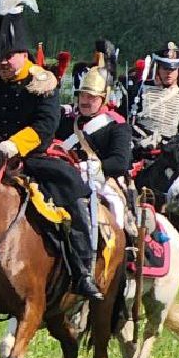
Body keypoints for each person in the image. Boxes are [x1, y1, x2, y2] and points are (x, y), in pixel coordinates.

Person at [0, 0, 104, 301]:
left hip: (32, 158)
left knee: (73, 193)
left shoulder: (43, 83)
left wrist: (14, 146)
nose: (2, 62)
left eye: (9, 55)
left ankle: (82, 269)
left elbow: (44, 128)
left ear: (23, 53)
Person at [55, 66, 134, 257]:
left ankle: (121, 251)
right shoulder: (66, 120)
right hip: (62, 175)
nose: (85, 101)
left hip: (102, 180)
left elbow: (120, 162)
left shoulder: (117, 126)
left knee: (115, 204)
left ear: (104, 98)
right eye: (82, 95)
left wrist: (85, 168)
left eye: (92, 97)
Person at [128, 42, 179, 162]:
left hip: (167, 151)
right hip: (139, 148)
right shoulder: (139, 90)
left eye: (173, 69)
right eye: (165, 68)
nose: (169, 73)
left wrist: (176, 139)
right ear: (157, 68)